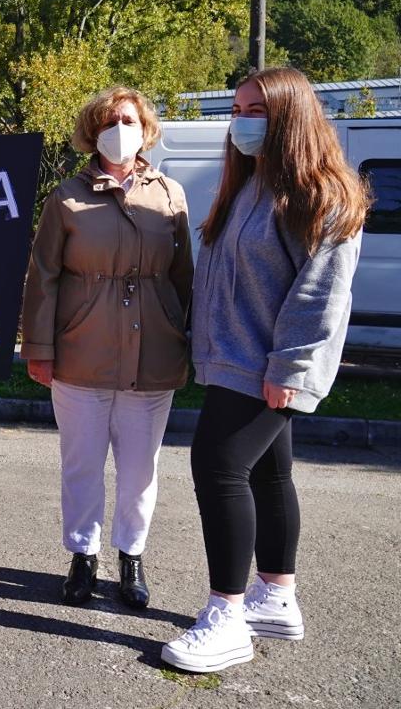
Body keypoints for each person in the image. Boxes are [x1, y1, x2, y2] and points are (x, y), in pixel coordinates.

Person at [161, 68, 368, 673]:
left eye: (257, 109)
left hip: (266, 366)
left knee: (218, 466)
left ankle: (225, 617)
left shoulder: (324, 193)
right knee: (270, 475)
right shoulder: (249, 184)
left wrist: (292, 368)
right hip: (234, 358)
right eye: (236, 108)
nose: (241, 120)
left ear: (291, 116)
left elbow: (320, 295)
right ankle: (276, 595)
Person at [20, 86, 193, 610]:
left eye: (130, 119)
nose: (122, 128)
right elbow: (42, 276)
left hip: (154, 355)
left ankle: (132, 556)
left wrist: (189, 339)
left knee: (141, 469)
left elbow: (184, 278)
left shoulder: (169, 194)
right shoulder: (66, 197)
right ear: (93, 132)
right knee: (82, 465)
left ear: (146, 128)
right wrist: (39, 348)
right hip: (80, 354)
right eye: (111, 120)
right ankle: (83, 556)